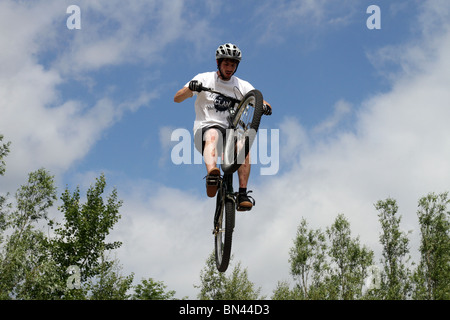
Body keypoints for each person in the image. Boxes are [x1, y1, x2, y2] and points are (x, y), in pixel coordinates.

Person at [174, 43, 272, 211]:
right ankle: (212, 175)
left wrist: (264, 106)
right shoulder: (204, 78)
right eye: (226, 64)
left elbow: (260, 99)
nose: (230, 68)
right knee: (213, 134)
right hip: (205, 131)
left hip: (230, 134)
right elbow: (177, 98)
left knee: (244, 146)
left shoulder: (241, 85)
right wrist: (191, 88)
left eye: (233, 65)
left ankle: (242, 194)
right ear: (218, 63)